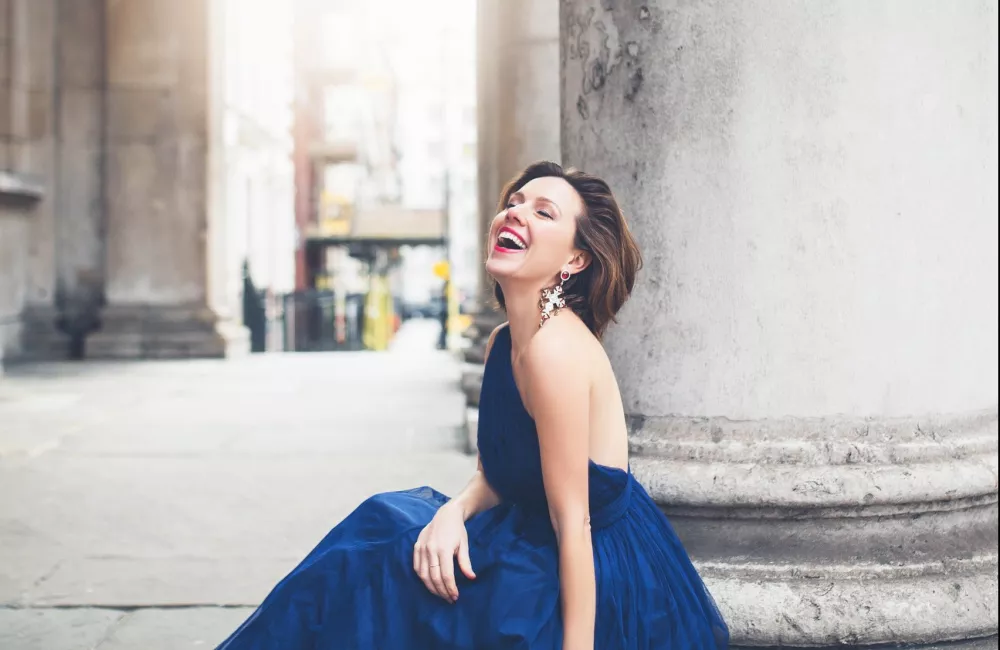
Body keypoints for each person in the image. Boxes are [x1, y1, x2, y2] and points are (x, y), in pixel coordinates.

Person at [216, 161, 729, 649]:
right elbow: (494, 473)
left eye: (543, 212)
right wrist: (451, 513)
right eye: (515, 202)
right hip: (530, 536)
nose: (515, 213)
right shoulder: (503, 342)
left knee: (387, 578)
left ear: (575, 260)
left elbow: (574, 524)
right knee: (374, 537)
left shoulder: (556, 351)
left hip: (590, 567)